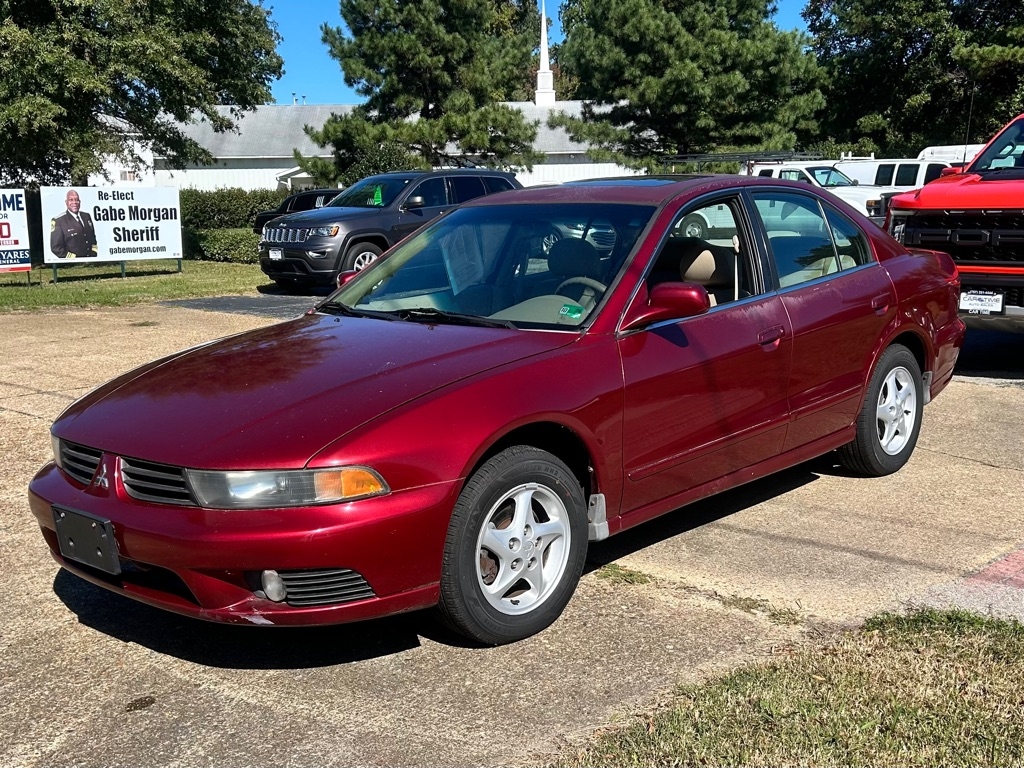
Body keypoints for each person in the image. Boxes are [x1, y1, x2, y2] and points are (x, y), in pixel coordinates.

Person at [50, 189, 98, 259]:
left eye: (76, 200)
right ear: (66, 202)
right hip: (72, 265)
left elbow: (92, 238)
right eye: (71, 200)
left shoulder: (86, 216)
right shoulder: (59, 220)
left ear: (80, 202)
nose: (74, 202)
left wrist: (93, 254)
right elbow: (56, 248)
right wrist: (73, 258)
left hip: (90, 262)